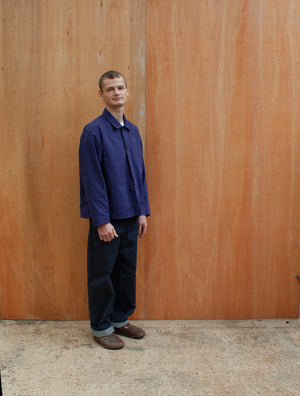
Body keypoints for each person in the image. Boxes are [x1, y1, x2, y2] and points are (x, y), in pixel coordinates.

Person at [79, 70, 150, 350]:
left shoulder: (132, 132)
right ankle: (101, 327)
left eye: (120, 87)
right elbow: (92, 179)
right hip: (108, 221)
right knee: (101, 274)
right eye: (110, 89)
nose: (116, 93)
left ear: (127, 90)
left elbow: (139, 174)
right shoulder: (93, 131)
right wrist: (102, 221)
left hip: (132, 216)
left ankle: (120, 319)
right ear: (101, 95)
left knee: (125, 271)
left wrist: (142, 211)